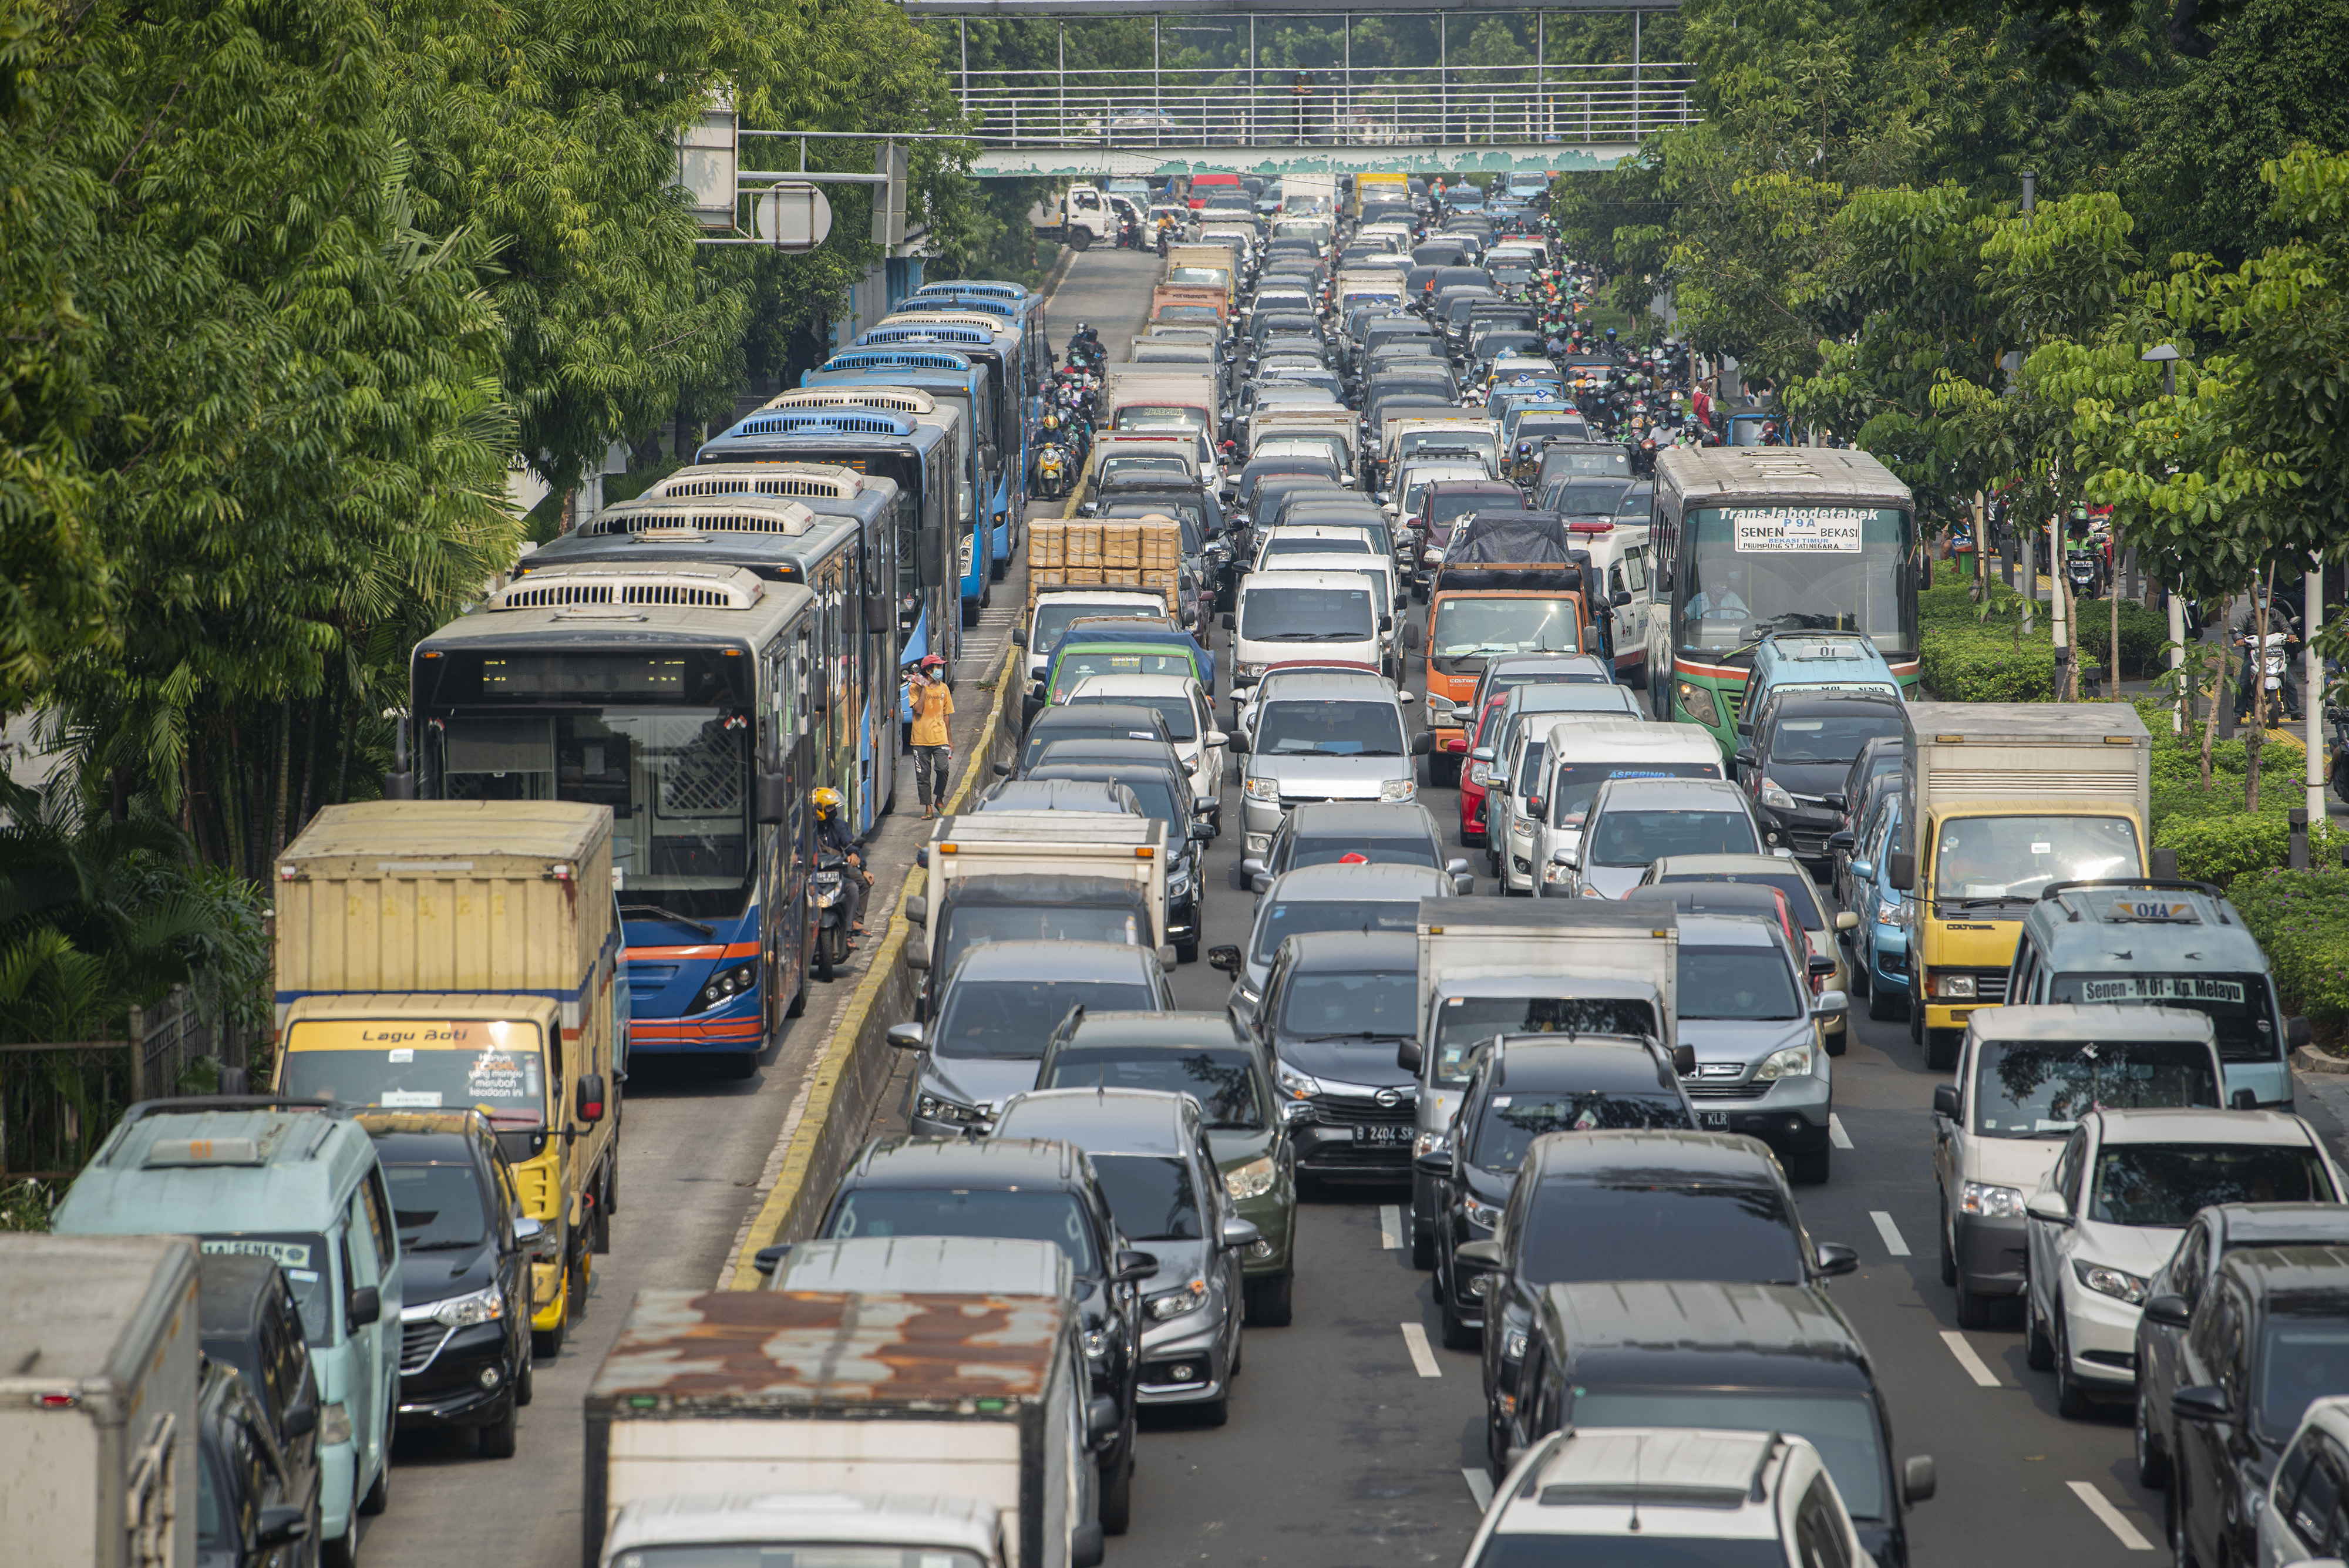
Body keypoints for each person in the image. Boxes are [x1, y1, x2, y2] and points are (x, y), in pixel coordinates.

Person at [812, 787, 870, 940]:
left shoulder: (839, 826)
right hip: (812, 875)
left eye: (834, 808)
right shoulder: (807, 828)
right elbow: (796, 847)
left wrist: (860, 864)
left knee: (858, 885)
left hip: (837, 872)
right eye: (830, 808)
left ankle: (853, 925)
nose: (833, 811)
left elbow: (851, 845)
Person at [906, 654, 955, 816]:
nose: (940, 670)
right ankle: (928, 808)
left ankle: (939, 798)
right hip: (920, 739)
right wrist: (923, 688)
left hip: (940, 738)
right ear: (928, 670)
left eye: (941, 667)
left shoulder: (944, 689)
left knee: (943, 769)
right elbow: (918, 710)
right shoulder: (914, 688)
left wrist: (950, 740)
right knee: (923, 775)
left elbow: (946, 715)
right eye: (937, 667)